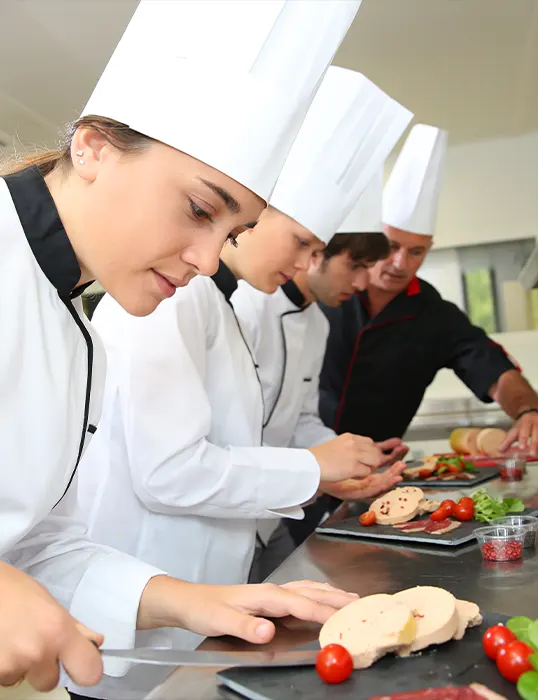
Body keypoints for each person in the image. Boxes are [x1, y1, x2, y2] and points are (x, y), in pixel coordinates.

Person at [0, 0, 363, 693]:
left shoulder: (81, 339)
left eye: (229, 233)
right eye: (200, 209)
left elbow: (39, 543)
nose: (206, 259)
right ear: (94, 147)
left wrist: (197, 599)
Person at [74, 65, 407, 697]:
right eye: (302, 243)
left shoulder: (211, 303)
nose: (306, 264)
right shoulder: (169, 299)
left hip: (208, 596)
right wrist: (314, 469)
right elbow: (169, 471)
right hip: (146, 599)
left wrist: (329, 463)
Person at [320, 122, 538, 454]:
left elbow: (496, 371)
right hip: (299, 463)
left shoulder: (435, 315)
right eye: (391, 245)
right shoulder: (328, 290)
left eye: (416, 252)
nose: (400, 263)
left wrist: (529, 410)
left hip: (374, 471)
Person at [232, 171, 411, 576]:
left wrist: (352, 457)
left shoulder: (318, 325)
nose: (364, 282)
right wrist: (318, 469)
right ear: (316, 255)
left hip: (269, 516)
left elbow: (302, 420)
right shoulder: (246, 305)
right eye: (356, 265)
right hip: (231, 509)